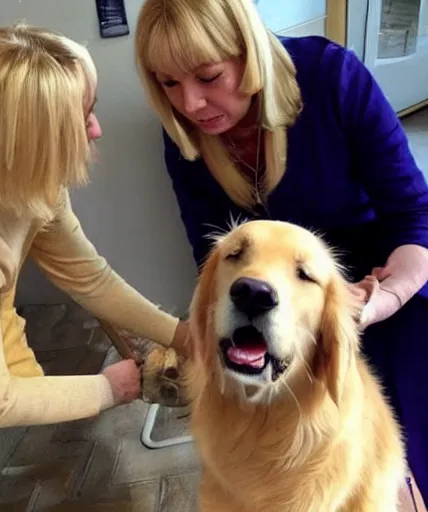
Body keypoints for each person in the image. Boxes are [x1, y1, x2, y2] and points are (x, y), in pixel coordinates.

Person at [134, 0, 428, 505]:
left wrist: (384, 300)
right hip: (265, 302)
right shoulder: (182, 135)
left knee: (400, 432)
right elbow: (209, 254)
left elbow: (415, 218)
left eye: (207, 76)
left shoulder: (334, 78)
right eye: (168, 83)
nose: (191, 103)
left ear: (248, 53)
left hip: (379, 285)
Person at [0, 21, 189, 433]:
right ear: (32, 137)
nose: (96, 129)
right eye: (83, 118)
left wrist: (181, 335)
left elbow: (89, 278)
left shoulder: (33, 179)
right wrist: (111, 388)